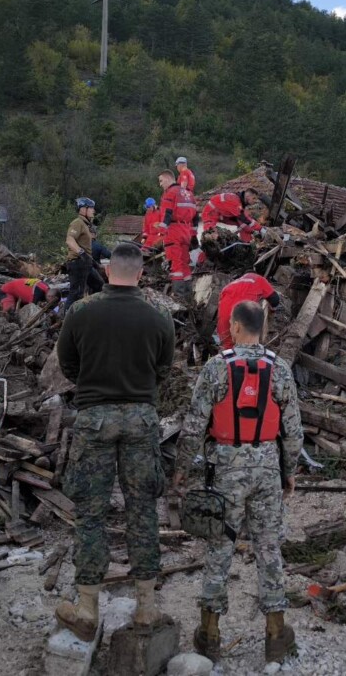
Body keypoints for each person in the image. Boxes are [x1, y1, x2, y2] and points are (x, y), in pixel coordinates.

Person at [54, 243, 176, 640]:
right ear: (140, 274)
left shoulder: (81, 312)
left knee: (91, 511)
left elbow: (68, 364)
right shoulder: (159, 316)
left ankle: (87, 607)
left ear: (107, 272)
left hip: (94, 418)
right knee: (143, 509)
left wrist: (93, 384)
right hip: (141, 417)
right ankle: (146, 607)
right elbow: (163, 369)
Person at [173, 301, 302, 665]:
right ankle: (276, 633)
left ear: (234, 325)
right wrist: (288, 470)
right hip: (265, 468)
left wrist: (182, 467)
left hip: (226, 468)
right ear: (261, 327)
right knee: (268, 547)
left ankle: (209, 632)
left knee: (220, 546)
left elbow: (195, 424)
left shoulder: (217, 367)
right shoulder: (279, 369)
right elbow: (293, 431)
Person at [155, 170, 197, 297]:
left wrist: (161, 232)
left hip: (174, 231)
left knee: (176, 264)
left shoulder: (169, 193)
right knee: (185, 264)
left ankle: (178, 296)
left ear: (168, 179)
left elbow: (167, 213)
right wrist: (194, 235)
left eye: (161, 181)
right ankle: (189, 295)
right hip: (186, 230)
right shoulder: (188, 194)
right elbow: (196, 217)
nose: (160, 184)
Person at [216, 272, 280, 350]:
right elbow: (275, 299)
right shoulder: (258, 279)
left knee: (228, 350)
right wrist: (272, 308)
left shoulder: (229, 285)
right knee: (247, 349)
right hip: (242, 314)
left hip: (224, 316)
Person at [66, 198, 105, 304]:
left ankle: (91, 310)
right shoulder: (77, 223)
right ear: (83, 209)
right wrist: (81, 252)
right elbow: (69, 240)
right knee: (76, 293)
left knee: (99, 286)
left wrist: (95, 264)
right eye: (91, 208)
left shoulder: (85, 224)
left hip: (86, 262)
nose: (94, 211)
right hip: (77, 262)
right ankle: (68, 318)